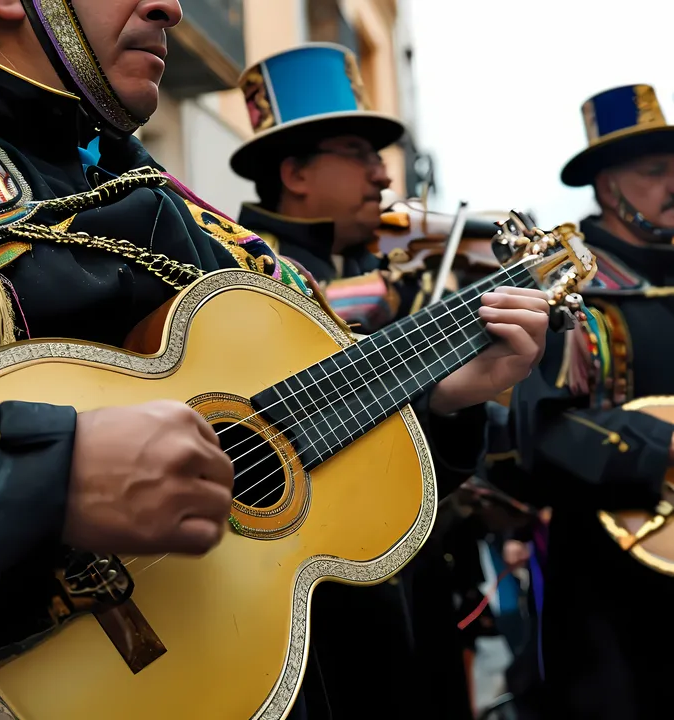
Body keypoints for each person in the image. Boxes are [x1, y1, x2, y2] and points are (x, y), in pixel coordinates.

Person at [0, 3, 548, 714]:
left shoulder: (201, 225)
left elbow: (314, 490)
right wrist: (52, 481)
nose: (171, 7)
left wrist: (438, 401)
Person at [229, 44, 533, 719]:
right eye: (358, 153)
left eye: (380, 156)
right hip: (306, 615)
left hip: (417, 591)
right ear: (295, 173)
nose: (382, 175)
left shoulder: (398, 279)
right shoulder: (239, 273)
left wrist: (454, 396)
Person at [498, 84, 674, 719]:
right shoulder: (562, 290)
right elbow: (534, 435)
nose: (672, 185)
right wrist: (662, 446)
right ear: (606, 187)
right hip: (611, 587)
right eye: (653, 171)